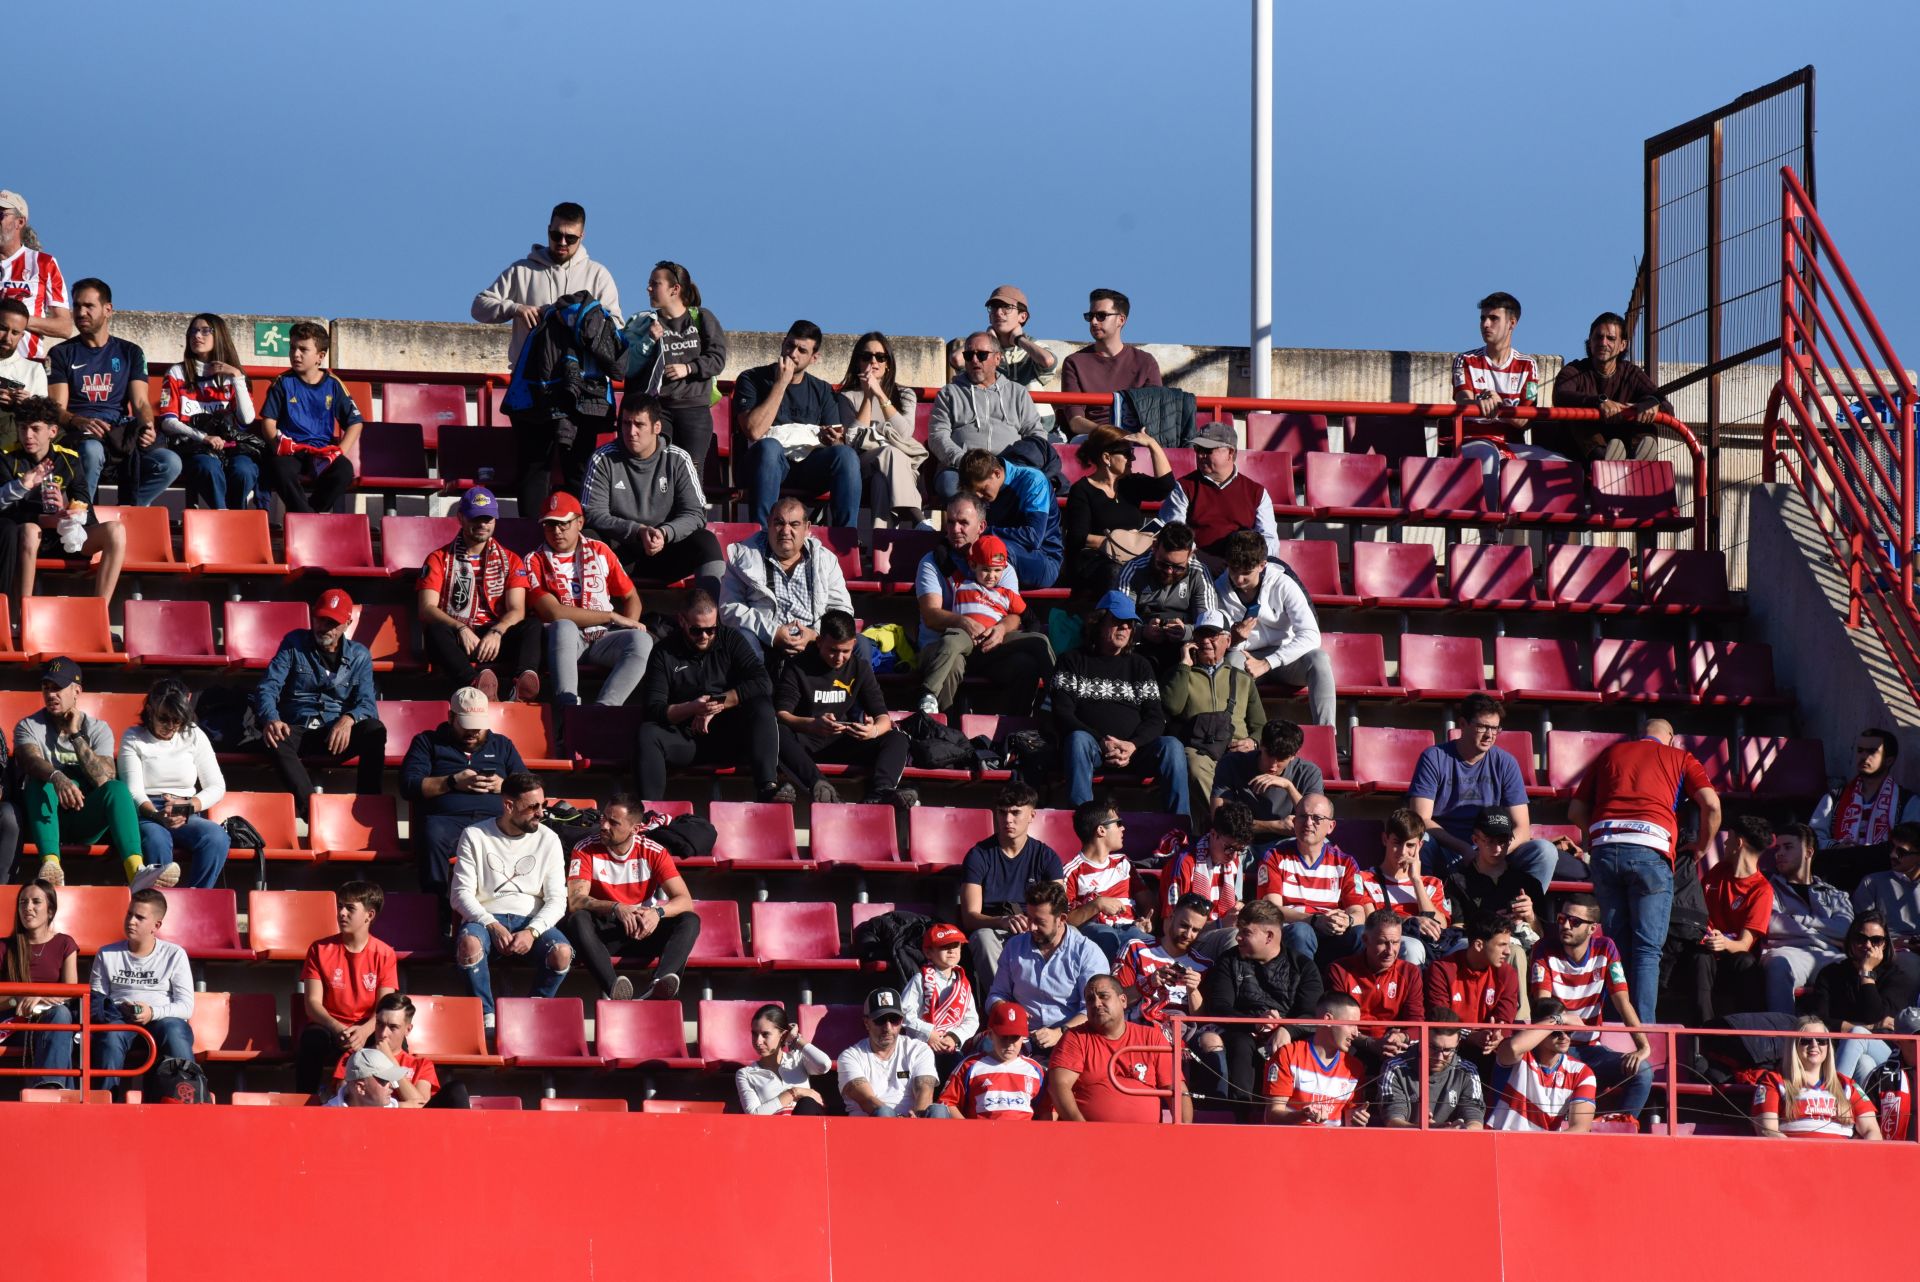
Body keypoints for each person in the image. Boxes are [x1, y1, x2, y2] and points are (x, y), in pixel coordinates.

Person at [1567, 717, 1723, 1023]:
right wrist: (1702, 846)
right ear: (1672, 738)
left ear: (1641, 735)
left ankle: (1613, 1026)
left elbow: (1575, 810)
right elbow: (1712, 805)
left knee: (1616, 945)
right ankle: (1642, 1032)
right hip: (1651, 849)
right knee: (1647, 949)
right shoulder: (1680, 757)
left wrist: (1598, 836)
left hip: (1605, 849)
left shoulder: (1611, 754)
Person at [912, 494, 1055, 716]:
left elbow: (1015, 614)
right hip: (942, 646)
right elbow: (931, 616)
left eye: (963, 523)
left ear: (981, 526)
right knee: (954, 662)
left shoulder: (1001, 566)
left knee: (1025, 664)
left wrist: (1001, 629)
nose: (955, 529)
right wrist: (963, 623)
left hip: (989, 648)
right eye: (950, 522)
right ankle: (942, 731)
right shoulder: (933, 562)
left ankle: (1017, 732)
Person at [634, 590, 783, 803]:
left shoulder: (730, 639)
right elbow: (653, 709)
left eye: (711, 629)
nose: (704, 636)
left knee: (761, 705)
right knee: (648, 733)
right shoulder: (663, 652)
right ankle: (650, 810)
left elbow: (762, 682)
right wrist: (693, 708)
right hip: (687, 739)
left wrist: (717, 704)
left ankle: (767, 787)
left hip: (730, 736)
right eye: (696, 630)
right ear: (682, 621)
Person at [253, 587, 387, 820]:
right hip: (298, 727)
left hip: (335, 734)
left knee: (375, 730)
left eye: (331, 622)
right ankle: (313, 812)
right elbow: (268, 686)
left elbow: (368, 704)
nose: (323, 626)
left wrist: (349, 719)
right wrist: (272, 719)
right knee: (274, 736)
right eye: (319, 619)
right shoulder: (294, 643)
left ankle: (369, 809)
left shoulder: (360, 655)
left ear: (347, 623)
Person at [1051, 591, 1189, 815]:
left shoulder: (1140, 665)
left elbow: (1155, 718)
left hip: (1135, 751)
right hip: (1092, 749)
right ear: (1098, 623)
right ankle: (1083, 823)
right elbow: (1062, 713)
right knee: (1077, 740)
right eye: (1118, 622)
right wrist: (1101, 741)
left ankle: (1179, 829)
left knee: (1172, 746)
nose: (1125, 628)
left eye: (1129, 624)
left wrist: (1133, 745)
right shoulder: (1072, 661)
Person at [46, 278, 180, 507]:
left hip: (120, 434)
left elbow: (140, 401)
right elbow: (56, 408)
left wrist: (146, 426)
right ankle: (82, 517)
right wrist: (78, 421)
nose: (81, 312)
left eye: (89, 306)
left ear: (108, 310)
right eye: (77, 306)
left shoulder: (130, 352)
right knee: (91, 450)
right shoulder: (60, 353)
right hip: (81, 437)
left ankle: (130, 512)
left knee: (170, 462)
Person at [1409, 694, 1561, 894]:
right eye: (1482, 727)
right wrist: (1464, 848)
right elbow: (1421, 819)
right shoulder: (1434, 758)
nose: (1489, 735)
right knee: (1422, 843)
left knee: (1545, 851)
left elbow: (1522, 828)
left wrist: (1490, 851)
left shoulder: (1506, 763)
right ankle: (1427, 912)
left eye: (1495, 728)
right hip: (1447, 848)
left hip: (1493, 848)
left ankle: (1525, 917)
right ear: (1462, 724)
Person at [451, 773, 573, 1021]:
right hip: (486, 920)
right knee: (470, 944)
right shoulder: (475, 835)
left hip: (531, 920)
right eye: (533, 807)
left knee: (562, 952)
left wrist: (533, 931)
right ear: (508, 805)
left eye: (543, 805)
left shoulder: (549, 839)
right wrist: (491, 925)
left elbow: (558, 899)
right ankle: (485, 1017)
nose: (541, 813)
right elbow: (459, 893)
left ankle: (532, 1015)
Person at [15, 658, 144, 890]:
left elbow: (103, 778)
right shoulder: (28, 725)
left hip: (86, 817)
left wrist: (75, 735)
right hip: (46, 817)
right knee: (39, 780)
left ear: (77, 691)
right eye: (46, 687)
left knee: (117, 789)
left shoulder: (97, 729)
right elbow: (30, 760)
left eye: (58, 688)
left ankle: (136, 871)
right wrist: (57, 776)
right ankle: (51, 866)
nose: (51, 694)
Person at [582, 393, 726, 593]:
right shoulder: (603, 458)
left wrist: (665, 533)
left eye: (639, 425)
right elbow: (592, 513)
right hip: (619, 553)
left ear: (656, 427)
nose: (631, 432)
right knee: (587, 538)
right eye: (626, 423)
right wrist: (637, 530)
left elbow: (696, 513)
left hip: (664, 551)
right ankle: (591, 613)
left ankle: (710, 618)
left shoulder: (678, 459)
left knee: (705, 541)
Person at [563, 793, 700, 1003]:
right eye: (603, 818)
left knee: (690, 920)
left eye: (613, 822)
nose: (604, 826)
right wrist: (616, 907)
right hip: (603, 933)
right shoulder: (585, 848)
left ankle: (659, 985)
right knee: (577, 918)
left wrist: (657, 913)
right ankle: (615, 989)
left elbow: (684, 900)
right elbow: (575, 899)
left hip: (641, 927)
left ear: (635, 829)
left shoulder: (654, 851)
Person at [1530, 891, 1654, 1119]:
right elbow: (1543, 1006)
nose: (1566, 925)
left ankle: (1619, 1128)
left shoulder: (1606, 948)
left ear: (1592, 928)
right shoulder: (1544, 949)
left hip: (1590, 1051)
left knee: (1643, 1073)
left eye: (1575, 921)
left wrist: (1643, 1047)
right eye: (1561, 919)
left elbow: (1622, 1002)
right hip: (1553, 1049)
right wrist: (1563, 1024)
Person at [773, 610, 915, 808]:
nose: (839, 658)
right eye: (833, 650)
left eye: (845, 652)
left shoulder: (860, 668)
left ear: (854, 645)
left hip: (841, 740)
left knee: (897, 737)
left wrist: (871, 731)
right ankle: (819, 785)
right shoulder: (797, 666)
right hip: (804, 743)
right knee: (776, 733)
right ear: (820, 641)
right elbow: (782, 714)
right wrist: (812, 725)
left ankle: (881, 792)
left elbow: (882, 716)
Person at [525, 491, 651, 708]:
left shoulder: (600, 550)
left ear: (580, 522)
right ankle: (569, 707)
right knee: (563, 626)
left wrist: (628, 625)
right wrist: (612, 615)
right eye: (549, 524)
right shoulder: (534, 560)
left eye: (563, 524)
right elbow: (553, 612)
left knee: (641, 640)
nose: (556, 531)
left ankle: (604, 710)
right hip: (563, 644)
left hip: (603, 638)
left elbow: (631, 596)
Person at [418, 486, 542, 703]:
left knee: (533, 626)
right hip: (457, 638)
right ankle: (476, 684)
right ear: (461, 518)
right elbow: (426, 608)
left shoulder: (511, 560)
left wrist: (497, 632)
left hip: (493, 638)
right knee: (435, 630)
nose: (482, 525)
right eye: (475, 518)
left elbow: (517, 610)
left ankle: (522, 684)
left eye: (488, 519)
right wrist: (461, 627)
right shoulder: (438, 558)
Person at [400, 686, 527, 897]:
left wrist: (503, 786)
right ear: (451, 718)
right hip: (447, 822)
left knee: (537, 832)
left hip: (495, 821)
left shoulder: (501, 745)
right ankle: (437, 908)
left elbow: (528, 787)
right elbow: (409, 786)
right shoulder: (428, 742)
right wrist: (451, 782)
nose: (474, 732)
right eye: (466, 725)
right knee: (432, 833)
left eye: (479, 726)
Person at [732, 320, 860, 528]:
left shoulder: (822, 390)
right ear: (783, 343)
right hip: (763, 466)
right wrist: (781, 383)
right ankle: (763, 535)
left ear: (814, 357)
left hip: (807, 469)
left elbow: (836, 441)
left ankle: (846, 540)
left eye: (802, 350)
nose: (793, 354)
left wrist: (834, 440)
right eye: (790, 345)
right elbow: (753, 431)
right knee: (769, 447)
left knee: (846, 455)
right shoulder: (751, 378)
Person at [0, 397, 126, 602]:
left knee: (116, 530)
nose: (27, 436)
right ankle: (26, 614)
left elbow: (87, 512)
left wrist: (67, 509)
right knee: (30, 530)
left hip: (65, 535)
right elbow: (5, 513)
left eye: (35, 429)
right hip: (29, 539)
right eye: (23, 428)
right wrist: (43, 518)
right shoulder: (8, 459)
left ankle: (99, 609)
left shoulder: (69, 459)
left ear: (53, 431)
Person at [1198, 900, 1324, 1104]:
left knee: (1295, 1045)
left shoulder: (1303, 967)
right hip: (1240, 1031)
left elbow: (1311, 1014)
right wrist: (1255, 1021)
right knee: (1240, 1041)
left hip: (1287, 1035)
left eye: (1246, 932)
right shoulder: (1229, 961)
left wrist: (1287, 1029)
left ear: (1269, 936)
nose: (1238, 937)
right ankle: (1242, 1110)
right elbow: (1220, 1006)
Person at [471, 201, 622, 367]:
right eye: (556, 235)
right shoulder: (521, 270)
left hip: (581, 380)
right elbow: (478, 307)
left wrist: (579, 320)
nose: (562, 242)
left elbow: (616, 326)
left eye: (570, 238)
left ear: (582, 236)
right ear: (548, 230)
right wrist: (516, 309)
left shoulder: (598, 275)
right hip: (529, 379)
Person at [720, 497, 855, 674]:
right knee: (742, 640)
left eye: (794, 524)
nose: (786, 530)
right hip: (763, 645)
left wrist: (815, 635)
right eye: (779, 522)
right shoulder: (741, 557)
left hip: (815, 646)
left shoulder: (826, 560)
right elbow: (729, 608)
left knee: (859, 647)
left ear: (807, 528)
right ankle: (757, 695)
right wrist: (773, 633)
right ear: (768, 523)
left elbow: (842, 609)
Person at [118, 678, 231, 890]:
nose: (170, 727)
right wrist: (155, 814)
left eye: (177, 720)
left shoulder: (194, 734)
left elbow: (216, 786)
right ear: (150, 711)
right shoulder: (133, 738)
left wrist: (189, 806)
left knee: (216, 837)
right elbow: (132, 791)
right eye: (164, 719)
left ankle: (196, 898)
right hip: (146, 812)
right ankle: (157, 904)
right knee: (156, 839)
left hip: (185, 809)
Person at [1215, 530, 1333, 725]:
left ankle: (1328, 734)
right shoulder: (1219, 588)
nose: (1239, 579)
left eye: (1246, 573)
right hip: (1245, 657)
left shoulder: (1283, 583)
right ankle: (1233, 736)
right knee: (1231, 663)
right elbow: (1218, 641)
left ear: (1262, 565)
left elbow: (1311, 635)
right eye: (1234, 570)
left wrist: (1269, 662)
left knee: (1319, 659)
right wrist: (1234, 641)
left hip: (1286, 656)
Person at [295, 881, 400, 1095]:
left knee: (395, 1041)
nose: (341, 913)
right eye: (340, 906)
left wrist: (364, 1030)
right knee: (311, 1040)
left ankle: (395, 1103)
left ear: (369, 915)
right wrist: (338, 1028)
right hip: (330, 1027)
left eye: (350, 908)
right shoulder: (319, 949)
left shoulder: (385, 953)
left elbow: (385, 1007)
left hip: (368, 1027)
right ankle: (304, 1102)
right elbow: (312, 1004)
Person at [957, 780, 1066, 986]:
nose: (1007, 819)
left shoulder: (1047, 856)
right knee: (982, 938)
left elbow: (1058, 909)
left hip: (1035, 926)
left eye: (1015, 812)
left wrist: (1035, 923)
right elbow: (970, 918)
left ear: (1032, 815)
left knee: (1071, 933)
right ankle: (1001, 1004)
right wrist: (1002, 921)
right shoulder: (978, 855)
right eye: (1002, 812)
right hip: (995, 928)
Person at [88, 889, 194, 1095]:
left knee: (174, 1030)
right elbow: (96, 1001)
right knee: (110, 1035)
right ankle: (105, 1101)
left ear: (156, 925)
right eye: (129, 914)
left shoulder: (174, 954)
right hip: (118, 1019)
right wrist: (117, 1010)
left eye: (139, 917)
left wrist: (152, 1012)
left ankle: (185, 1096)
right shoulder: (107, 953)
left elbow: (186, 1007)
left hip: (162, 1019)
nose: (131, 921)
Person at [1163, 609, 1267, 817]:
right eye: (1201, 635)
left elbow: (1261, 726)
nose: (1206, 641)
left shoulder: (1242, 679)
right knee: (1193, 762)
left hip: (1236, 749)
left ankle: (1229, 826)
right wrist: (1184, 666)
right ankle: (1225, 823)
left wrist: (1252, 742)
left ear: (1227, 641)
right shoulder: (1181, 674)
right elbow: (1172, 707)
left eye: (1213, 635)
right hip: (1200, 750)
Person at [987, 882, 1109, 1060]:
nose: (1032, 927)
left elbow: (1093, 1010)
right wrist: (1008, 1010)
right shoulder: (1014, 947)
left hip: (1072, 1039)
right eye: (1029, 918)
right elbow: (997, 994)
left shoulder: (1087, 953)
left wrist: (1060, 1032)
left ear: (1062, 919)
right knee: (983, 1049)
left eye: (1040, 922)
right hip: (1019, 1037)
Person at [155, 313, 263, 509]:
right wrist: (204, 437)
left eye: (205, 331)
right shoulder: (176, 373)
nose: (197, 336)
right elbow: (168, 422)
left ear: (219, 336)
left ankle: (237, 516)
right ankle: (221, 514)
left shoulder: (234, 376)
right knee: (208, 467)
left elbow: (246, 420)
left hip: (231, 447)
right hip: (194, 447)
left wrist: (237, 377)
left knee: (244, 470)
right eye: (193, 331)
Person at [1675, 814, 1775, 1027]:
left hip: (1730, 962)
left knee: (1746, 962)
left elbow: (1744, 945)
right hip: (1702, 957)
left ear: (1738, 843)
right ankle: (1705, 1031)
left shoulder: (1762, 889)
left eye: (1728, 839)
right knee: (1700, 957)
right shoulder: (1718, 871)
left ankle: (1747, 1032)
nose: (1725, 843)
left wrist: (1723, 943)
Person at [927, 332, 1050, 502]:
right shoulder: (949, 393)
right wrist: (964, 461)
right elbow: (937, 435)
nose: (975, 360)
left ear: (998, 358)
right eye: (969, 355)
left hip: (1008, 470)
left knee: (1035, 484)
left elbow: (1037, 436)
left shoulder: (1018, 393)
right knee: (950, 486)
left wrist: (1012, 466)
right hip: (960, 469)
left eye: (982, 355)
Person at [1048, 973, 1188, 1122]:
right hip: (1092, 1140)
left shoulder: (1152, 1037)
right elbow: (1059, 1086)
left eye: (1104, 996)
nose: (1096, 1003)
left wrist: (1183, 1135)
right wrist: (1082, 1130)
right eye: (1090, 999)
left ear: (1123, 1001)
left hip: (1147, 1140)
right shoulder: (1074, 1037)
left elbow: (1178, 1091)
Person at [627, 261, 725, 473]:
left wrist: (688, 368)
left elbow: (717, 358)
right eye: (649, 283)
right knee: (658, 469)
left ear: (675, 289)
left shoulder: (701, 318)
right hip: (660, 408)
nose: (649, 288)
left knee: (690, 472)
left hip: (695, 410)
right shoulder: (647, 323)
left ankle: (691, 508)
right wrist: (649, 340)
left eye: (655, 283)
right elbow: (628, 366)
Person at [257, 321, 362, 515]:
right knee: (279, 468)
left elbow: (355, 423)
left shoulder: (334, 384)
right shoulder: (282, 382)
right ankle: (308, 519)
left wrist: (339, 451)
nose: (295, 354)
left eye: (303, 349)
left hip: (321, 452)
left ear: (320, 357)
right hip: (291, 451)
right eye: (293, 348)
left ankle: (306, 515)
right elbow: (268, 422)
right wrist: (277, 443)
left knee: (344, 471)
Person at [1451, 291, 1558, 477]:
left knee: (1566, 468)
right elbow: (1463, 401)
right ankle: (1489, 508)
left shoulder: (1527, 365)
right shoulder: (1465, 360)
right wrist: (1479, 402)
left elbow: (1525, 421)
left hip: (1512, 445)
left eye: (1493, 318)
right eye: (1483, 318)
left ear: (1512, 323)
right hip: (1473, 441)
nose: (1485, 324)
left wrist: (1499, 405)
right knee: (1490, 459)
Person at [1806, 910, 1918, 1083]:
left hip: (1891, 1057)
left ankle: (1832, 1099)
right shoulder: (1831, 974)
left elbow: (1878, 1019)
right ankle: (1861, 1109)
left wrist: (1866, 974)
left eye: (1876, 940)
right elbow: (1818, 1020)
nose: (1867, 945)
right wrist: (1870, 1026)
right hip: (1841, 1052)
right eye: (1861, 938)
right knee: (1864, 1062)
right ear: (1851, 941)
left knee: (1858, 1034)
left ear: (1885, 944)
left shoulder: (1898, 977)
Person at [1063, 423, 1175, 595]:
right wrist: (1125, 543)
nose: (1133, 459)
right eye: (1128, 454)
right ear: (1107, 458)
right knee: (1116, 571)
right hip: (1095, 561)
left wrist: (1153, 445)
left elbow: (1165, 485)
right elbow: (1079, 537)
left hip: (1132, 557)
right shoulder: (1082, 490)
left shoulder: (1130, 483)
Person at [1546, 311, 1672, 461]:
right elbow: (1560, 396)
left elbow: (1666, 407)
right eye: (1598, 337)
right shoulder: (1574, 370)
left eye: (1611, 338)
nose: (1603, 343)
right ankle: (1606, 459)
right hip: (1581, 458)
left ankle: (1638, 460)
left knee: (1646, 415)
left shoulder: (1632, 373)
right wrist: (1600, 402)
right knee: (1578, 414)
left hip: (1624, 450)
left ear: (1622, 345)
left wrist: (1652, 404)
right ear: (1590, 341)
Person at [1255, 794, 1363, 962]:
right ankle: (1303, 987)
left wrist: (1346, 920)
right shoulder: (1275, 857)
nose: (1308, 823)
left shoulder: (1346, 863)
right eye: (1303, 816)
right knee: (1302, 932)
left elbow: (1358, 912)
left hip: (1334, 934)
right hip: (1294, 933)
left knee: (1361, 933)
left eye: (1317, 818)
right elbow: (1271, 910)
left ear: (1331, 826)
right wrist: (1313, 920)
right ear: (1294, 821)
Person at [836, 331, 928, 528]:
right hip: (863, 465)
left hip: (903, 469)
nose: (873, 362)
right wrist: (868, 396)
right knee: (889, 452)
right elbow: (852, 441)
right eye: (866, 356)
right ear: (858, 362)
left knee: (881, 482)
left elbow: (904, 434)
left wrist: (880, 395)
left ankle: (879, 552)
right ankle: (917, 518)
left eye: (880, 357)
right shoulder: (847, 396)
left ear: (888, 364)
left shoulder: (904, 395)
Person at [1810, 728, 1919, 889]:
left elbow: (1912, 844)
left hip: (1884, 876)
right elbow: (1812, 837)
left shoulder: (1908, 801)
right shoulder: (1834, 798)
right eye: (1860, 750)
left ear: (1889, 760)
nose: (1864, 756)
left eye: (1872, 751)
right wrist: (1837, 846)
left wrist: (1872, 851)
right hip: (1838, 870)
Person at [1764, 822, 1854, 1015]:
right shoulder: (1766, 888)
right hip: (1788, 952)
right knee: (1779, 964)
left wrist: (1802, 920)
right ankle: (1782, 1036)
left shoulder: (1834, 893)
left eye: (1788, 847)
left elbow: (1847, 930)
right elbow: (1772, 924)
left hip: (1830, 956)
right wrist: (1825, 935)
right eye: (1777, 848)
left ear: (1809, 852)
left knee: (1854, 968)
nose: (1779, 853)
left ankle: (1845, 1037)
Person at [1158, 422, 1280, 561]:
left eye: (1208, 450)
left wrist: (1244, 565)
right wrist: (1203, 559)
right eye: (1198, 449)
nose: (1200, 455)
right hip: (1195, 568)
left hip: (1244, 568)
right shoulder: (1184, 487)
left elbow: (1269, 542)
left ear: (1230, 453)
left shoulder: (1257, 492)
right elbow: (1172, 536)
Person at [1751, 1015, 1883, 1139]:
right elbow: (1767, 1131)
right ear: (1794, 1045)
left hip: (1841, 1159)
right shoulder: (1774, 1082)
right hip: (1794, 1159)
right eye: (1806, 1040)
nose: (1814, 1045)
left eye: (1821, 1040)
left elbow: (1872, 1131)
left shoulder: (1847, 1085)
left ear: (1828, 1046)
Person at [1345, 809, 1451, 963]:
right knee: (1412, 947)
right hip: (1391, 944)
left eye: (1410, 845)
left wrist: (1416, 880)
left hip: (1432, 946)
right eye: (1397, 843)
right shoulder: (1364, 879)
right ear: (1385, 839)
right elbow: (1370, 920)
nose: (1403, 852)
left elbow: (1441, 925)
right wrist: (1411, 921)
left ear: (1419, 846)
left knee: (1464, 946)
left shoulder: (1432, 883)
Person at [1442, 810, 1546, 967]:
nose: (1497, 849)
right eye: (1489, 841)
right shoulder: (1457, 881)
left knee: (1518, 951)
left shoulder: (1528, 883)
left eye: (1502, 841)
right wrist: (1491, 924)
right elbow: (1454, 929)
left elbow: (1543, 936)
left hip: (1519, 948)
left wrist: (1530, 917)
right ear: (1475, 840)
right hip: (1476, 948)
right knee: (1511, 951)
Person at [1113, 523, 1219, 675]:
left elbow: (1209, 623)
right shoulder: (1134, 570)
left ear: (1190, 554)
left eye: (1178, 567)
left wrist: (1186, 632)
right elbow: (1118, 621)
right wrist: (1143, 632)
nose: (1169, 572)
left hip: (1185, 648)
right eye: (1163, 564)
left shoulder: (1199, 573)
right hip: (1141, 646)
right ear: (1154, 547)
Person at [329, 993, 468, 1109]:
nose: (383, 1033)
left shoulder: (421, 1065)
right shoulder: (353, 1058)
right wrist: (400, 1106)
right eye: (379, 1024)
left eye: (393, 1027)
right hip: (369, 1128)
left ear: (408, 1029)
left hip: (412, 1132)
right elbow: (348, 1105)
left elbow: (423, 1109)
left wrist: (391, 1062)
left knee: (457, 1090)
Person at [5, 880, 80, 1090]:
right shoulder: (4, 947)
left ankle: (48, 1090)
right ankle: (53, 1092)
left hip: (50, 1022)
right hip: (13, 1024)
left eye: (36, 902)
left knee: (61, 1016)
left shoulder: (65, 943)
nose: (28, 907)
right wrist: (18, 998)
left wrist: (40, 997)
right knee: (60, 1025)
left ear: (50, 911)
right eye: (23, 902)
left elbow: (72, 992)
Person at [1326, 910, 1425, 1064]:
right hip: (1351, 1046)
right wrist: (1370, 1043)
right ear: (1365, 939)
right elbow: (1338, 1024)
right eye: (1382, 942)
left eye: (1396, 942)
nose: (1390, 951)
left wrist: (1400, 1037)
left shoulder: (1410, 972)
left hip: (1393, 1048)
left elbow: (1417, 1024)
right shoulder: (1341, 970)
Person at [1425, 913, 1520, 1073]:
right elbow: (1440, 1020)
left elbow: (1505, 1018)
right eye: (1501, 945)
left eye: (1508, 945)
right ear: (1478, 945)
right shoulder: (1442, 970)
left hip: (1490, 1051)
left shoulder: (1507, 973)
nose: (1508, 952)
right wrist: (1471, 1036)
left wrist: (1497, 1035)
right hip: (1449, 1050)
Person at [957, 448, 1063, 590]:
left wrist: (984, 532)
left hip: (1044, 560)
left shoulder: (1033, 481)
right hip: (1002, 551)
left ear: (997, 473)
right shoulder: (985, 492)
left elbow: (1034, 537)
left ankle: (1001, 605)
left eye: (983, 489)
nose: (979, 497)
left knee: (994, 550)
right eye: (974, 493)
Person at [836, 988, 952, 1118]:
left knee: (939, 1111)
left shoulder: (919, 1049)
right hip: (870, 1129)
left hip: (914, 1123)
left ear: (902, 1021)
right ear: (866, 1023)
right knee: (884, 1113)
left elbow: (925, 1091)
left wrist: (916, 1118)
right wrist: (897, 1122)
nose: (888, 1027)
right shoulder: (850, 1056)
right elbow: (867, 1100)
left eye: (894, 1019)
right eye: (880, 1020)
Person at [1486, 999, 1596, 1133]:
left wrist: (1544, 1150)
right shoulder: (1518, 1055)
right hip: (1500, 1142)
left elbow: (1580, 1128)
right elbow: (1514, 1048)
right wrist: (1560, 1019)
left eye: (1568, 1030)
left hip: (1547, 1148)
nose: (1564, 1037)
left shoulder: (1582, 1072)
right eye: (1556, 1031)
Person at [1059, 289, 1163, 429]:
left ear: (1121, 320)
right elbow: (1075, 421)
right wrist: (1111, 435)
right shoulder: (1074, 362)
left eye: (1101, 316)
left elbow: (1155, 415)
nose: (1094, 322)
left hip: (1137, 440)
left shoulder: (1146, 362)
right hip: (1092, 439)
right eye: (1090, 316)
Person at [1262, 993, 1369, 1126]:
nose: (1356, 1033)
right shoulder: (1289, 1054)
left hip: (1331, 1144)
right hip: (1289, 1142)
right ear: (1328, 1020)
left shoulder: (1354, 1068)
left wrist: (1357, 1121)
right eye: (1351, 1024)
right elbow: (1272, 1117)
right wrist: (1304, 1115)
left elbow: (1349, 1123)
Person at [1115, 893, 1214, 1038]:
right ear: (1171, 916)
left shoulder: (1204, 965)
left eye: (1195, 930)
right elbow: (1114, 1002)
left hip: (1182, 1037)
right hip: (1139, 1032)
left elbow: (1204, 1021)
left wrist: (1193, 991)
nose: (1188, 934)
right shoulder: (1136, 948)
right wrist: (1148, 984)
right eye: (1184, 926)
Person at [1062, 798, 1148, 963]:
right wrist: (1097, 904)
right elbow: (1064, 921)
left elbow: (1148, 902)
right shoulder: (1071, 871)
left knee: (1144, 943)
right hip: (1096, 931)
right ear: (1101, 830)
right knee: (1107, 938)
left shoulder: (1124, 863)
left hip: (1130, 927)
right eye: (1118, 823)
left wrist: (1148, 921)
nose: (1123, 828)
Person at [938, 1000, 1049, 1120]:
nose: (1010, 1044)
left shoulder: (1035, 1069)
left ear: (1024, 1037)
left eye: (1015, 1038)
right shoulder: (970, 1066)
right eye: (1004, 1037)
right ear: (990, 1034)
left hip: (1023, 1137)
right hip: (981, 1136)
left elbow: (1046, 1110)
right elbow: (947, 1103)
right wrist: (968, 1131)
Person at [1212, 718, 1323, 836]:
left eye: (1281, 759)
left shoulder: (1310, 772)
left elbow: (1315, 824)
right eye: (1269, 755)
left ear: (1294, 755)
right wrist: (1273, 826)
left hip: (1289, 843)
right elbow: (1220, 821)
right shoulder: (1231, 763)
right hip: (1242, 840)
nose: (1273, 765)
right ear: (1260, 745)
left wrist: (1289, 787)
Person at [1159, 802, 1252, 937]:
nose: (1233, 856)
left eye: (1240, 850)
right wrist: (1220, 924)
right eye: (1229, 848)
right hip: (1190, 941)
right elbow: (1169, 926)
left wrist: (1238, 909)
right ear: (1213, 834)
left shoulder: (1234, 861)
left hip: (1220, 934)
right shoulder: (1185, 863)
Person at [0, 192, 72, 361]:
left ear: (20, 222)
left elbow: (65, 326)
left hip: (25, 367)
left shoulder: (43, 263)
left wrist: (17, 321)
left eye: (1, 214)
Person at [898, 922, 979, 1068]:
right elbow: (904, 1013)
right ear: (928, 952)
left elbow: (972, 1019)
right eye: (944, 946)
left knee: (961, 1071)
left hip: (951, 1047)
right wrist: (929, 1034)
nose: (951, 950)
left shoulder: (963, 984)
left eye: (955, 945)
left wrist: (954, 1037)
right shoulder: (920, 979)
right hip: (921, 1046)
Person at [1377, 1025, 1486, 1129]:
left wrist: (1460, 1131)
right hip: (1405, 1144)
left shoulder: (1467, 1071)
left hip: (1454, 1144)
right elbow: (1393, 1121)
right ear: (1421, 1040)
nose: (1439, 1057)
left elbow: (1475, 1119)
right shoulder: (1395, 1067)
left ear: (1458, 1044)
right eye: (1433, 1048)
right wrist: (1427, 1130)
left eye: (1448, 1050)